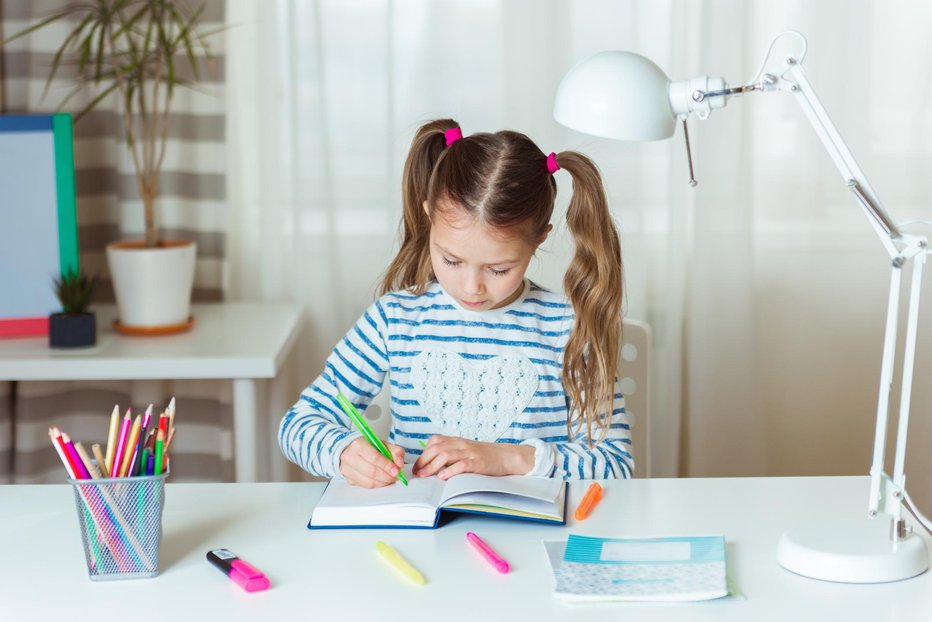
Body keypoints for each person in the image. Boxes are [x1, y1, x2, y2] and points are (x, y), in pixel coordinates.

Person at [279, 118, 632, 487]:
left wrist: (510, 458)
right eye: (451, 260)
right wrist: (343, 451)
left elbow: (615, 463)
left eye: (498, 269)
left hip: (529, 535)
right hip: (420, 532)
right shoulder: (394, 319)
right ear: (429, 215)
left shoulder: (566, 328)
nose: (471, 286)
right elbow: (297, 425)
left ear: (540, 237)